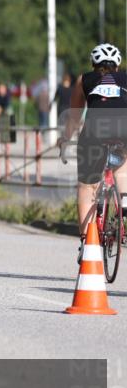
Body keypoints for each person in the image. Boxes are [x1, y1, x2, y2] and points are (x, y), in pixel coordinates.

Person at [57, 43, 127, 259]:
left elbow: (75, 115)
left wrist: (65, 138)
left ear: (93, 64)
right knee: (123, 167)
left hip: (95, 132)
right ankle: (124, 202)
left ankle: (87, 243)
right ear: (118, 65)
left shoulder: (84, 79)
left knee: (87, 186)